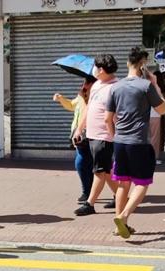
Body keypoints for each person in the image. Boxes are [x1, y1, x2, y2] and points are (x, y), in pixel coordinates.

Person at [106, 47, 165, 239]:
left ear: (127, 63)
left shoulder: (115, 87)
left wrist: (115, 136)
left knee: (123, 183)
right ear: (143, 65)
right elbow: (163, 109)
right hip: (139, 142)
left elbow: (108, 119)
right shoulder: (145, 86)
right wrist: (156, 84)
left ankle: (119, 225)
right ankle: (123, 216)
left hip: (120, 143)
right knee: (142, 183)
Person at [73, 53, 119, 216]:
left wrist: (114, 134)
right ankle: (120, 195)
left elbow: (117, 114)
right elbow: (88, 107)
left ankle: (89, 204)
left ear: (100, 70)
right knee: (105, 171)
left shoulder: (115, 88)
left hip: (105, 136)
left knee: (99, 171)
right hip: (92, 134)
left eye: (95, 66)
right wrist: (79, 129)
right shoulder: (97, 84)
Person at [53, 77, 94, 207]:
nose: (83, 85)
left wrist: (84, 98)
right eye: (83, 82)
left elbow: (90, 110)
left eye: (86, 82)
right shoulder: (81, 96)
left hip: (89, 134)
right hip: (78, 135)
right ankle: (89, 191)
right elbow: (71, 105)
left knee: (82, 163)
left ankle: (87, 192)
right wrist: (61, 99)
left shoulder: (95, 96)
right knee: (88, 164)